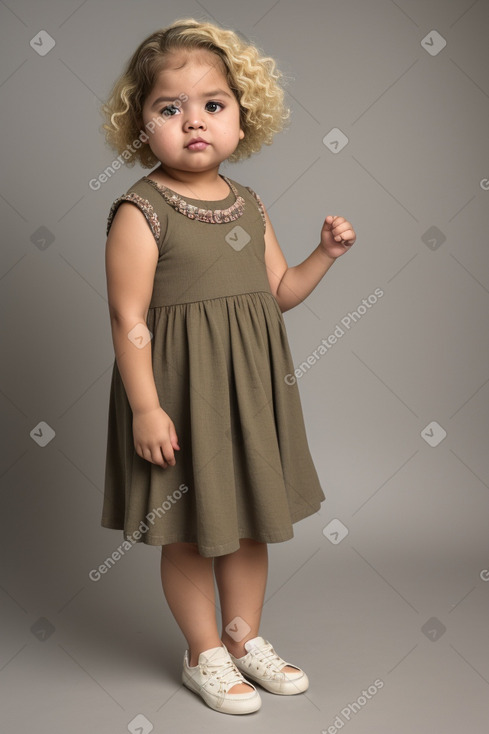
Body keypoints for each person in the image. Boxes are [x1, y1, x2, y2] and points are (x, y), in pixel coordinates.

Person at [100, 17, 356, 716]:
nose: (193, 123)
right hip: (180, 397)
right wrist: (147, 407)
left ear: (243, 117)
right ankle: (203, 653)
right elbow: (128, 321)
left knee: (245, 524)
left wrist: (322, 258)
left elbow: (279, 294)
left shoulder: (249, 203)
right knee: (187, 531)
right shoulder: (141, 211)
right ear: (140, 123)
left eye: (212, 105)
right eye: (168, 108)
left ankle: (245, 640)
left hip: (248, 396)